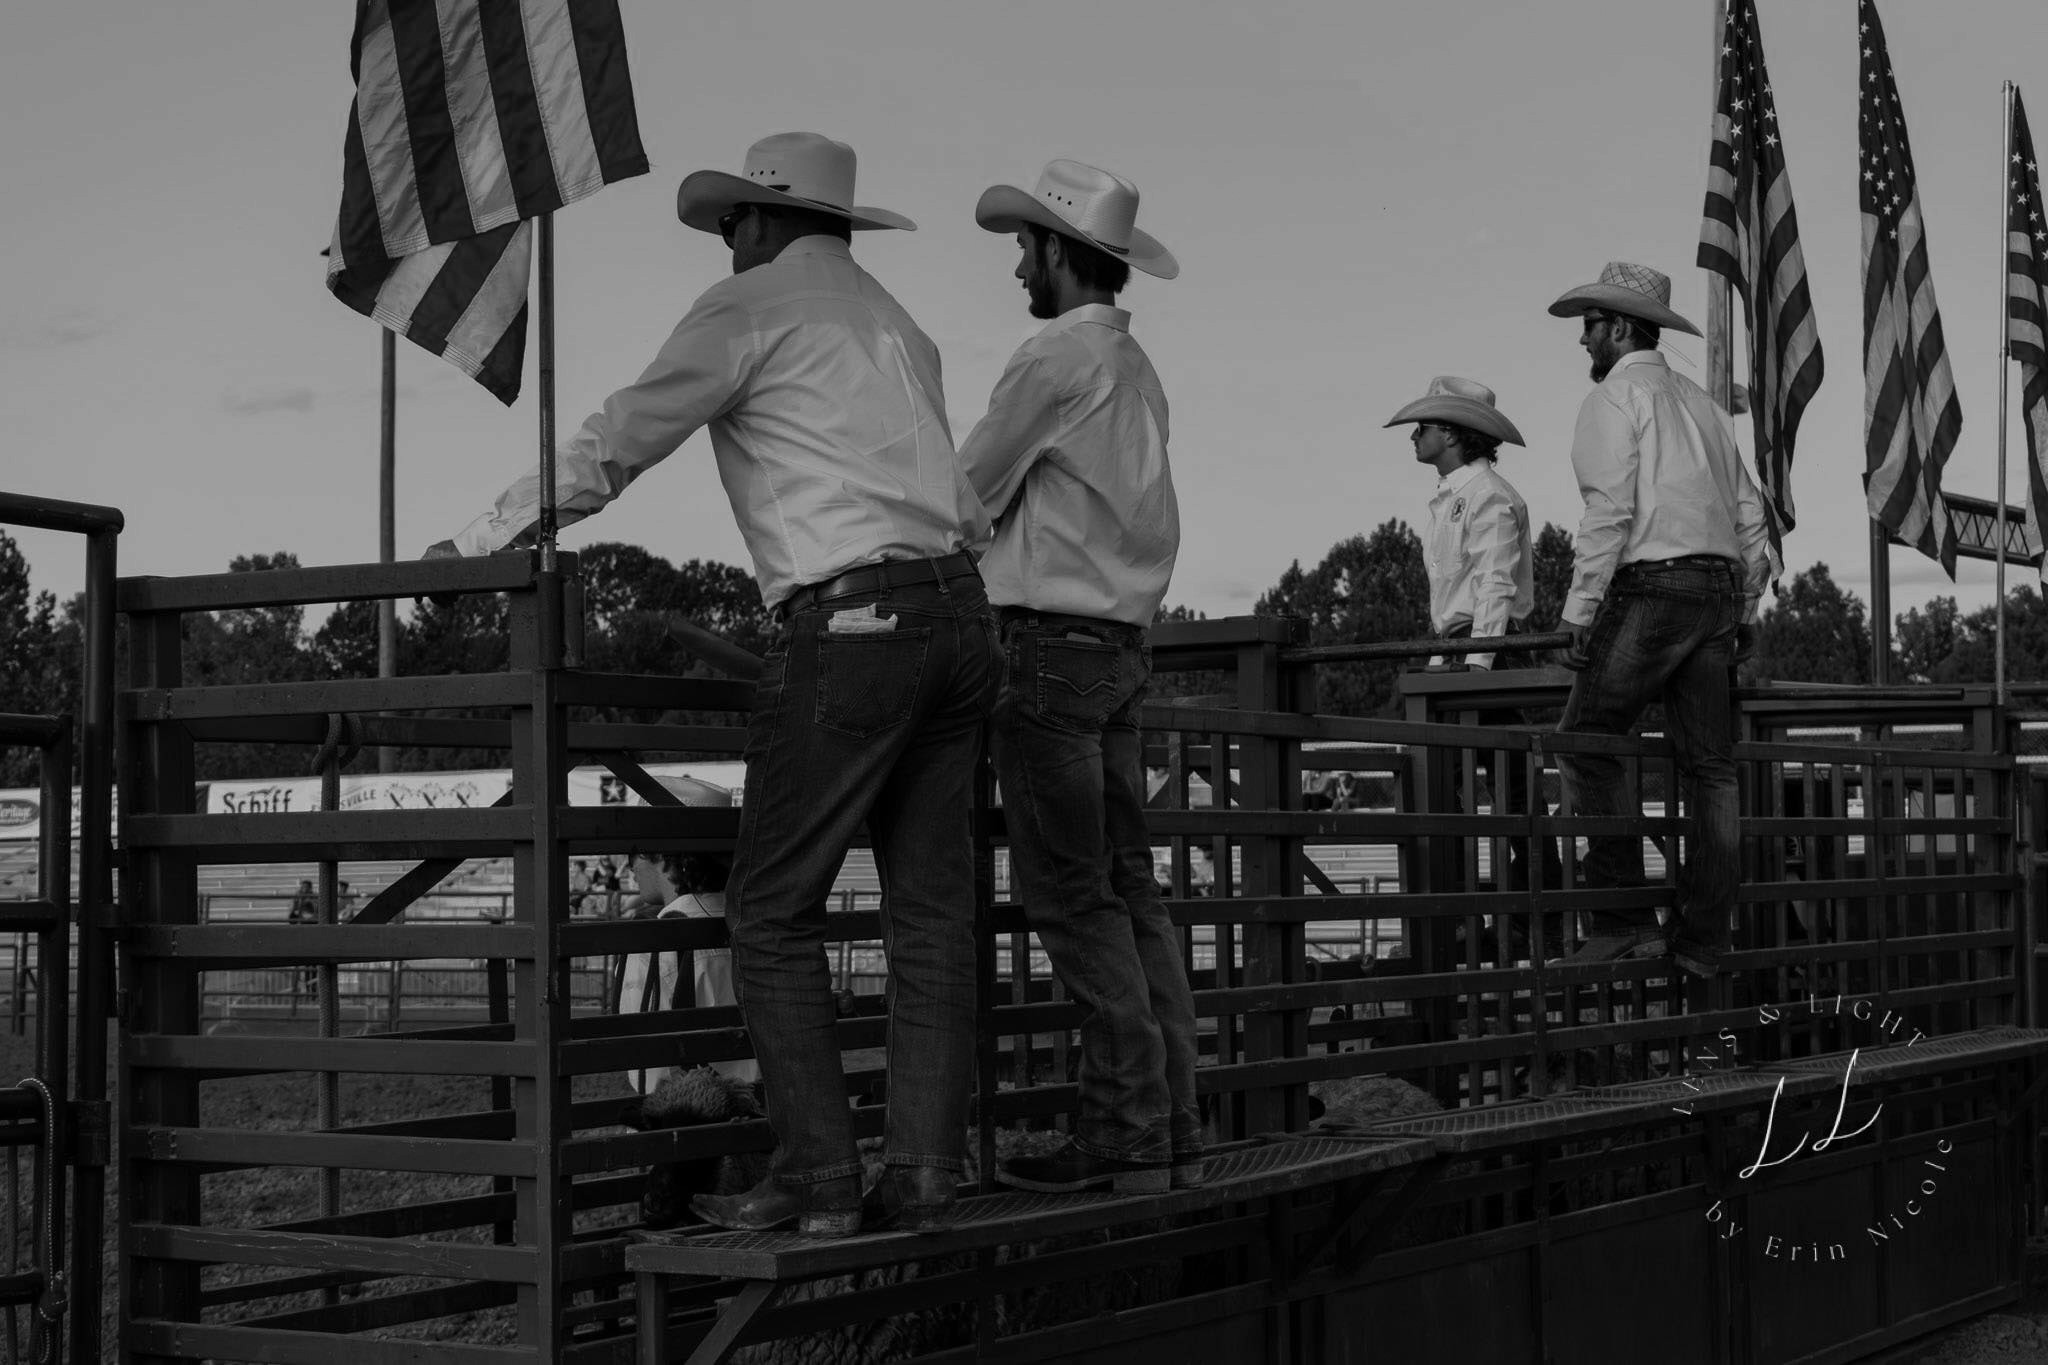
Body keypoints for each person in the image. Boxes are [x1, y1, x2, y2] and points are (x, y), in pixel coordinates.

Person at [430, 132, 997, 1237]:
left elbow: (620, 436)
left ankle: (819, 1176)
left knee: (771, 908)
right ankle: (923, 1173)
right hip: (958, 607)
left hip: (852, 616)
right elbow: (963, 503)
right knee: (929, 913)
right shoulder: (897, 324)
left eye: (731, 219)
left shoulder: (746, 309)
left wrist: (486, 537)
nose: (724, 239)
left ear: (764, 222)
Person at [957, 159, 1202, 1195]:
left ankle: (1124, 1128)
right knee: (1128, 890)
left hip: (1048, 643)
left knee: (1072, 897)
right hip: (1116, 647)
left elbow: (965, 493)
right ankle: (1169, 1116)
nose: (1017, 265)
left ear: (1058, 253)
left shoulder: (1051, 357)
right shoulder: (1133, 368)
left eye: (1024, 246)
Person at [1545, 261, 1769, 977]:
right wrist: (1746, 598)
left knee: (1584, 738)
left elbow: (1608, 510)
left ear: (1616, 328)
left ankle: (1620, 917)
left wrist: (1580, 611)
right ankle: (1703, 939)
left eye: (1589, 327)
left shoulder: (1615, 398)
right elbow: (1750, 515)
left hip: (1656, 584)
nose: (1583, 341)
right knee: (1711, 768)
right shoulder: (1701, 403)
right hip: (1717, 589)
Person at [1383, 378, 1565, 934]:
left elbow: (1495, 582)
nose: (1414, 435)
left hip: (1475, 649)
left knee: (1482, 781)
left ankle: (1489, 914)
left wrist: (1478, 664)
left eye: (1425, 426)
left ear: (1453, 435)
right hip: (1461, 649)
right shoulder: (1463, 494)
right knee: (1484, 781)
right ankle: (1500, 912)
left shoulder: (1485, 494)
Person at [617, 777, 760, 1091]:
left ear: (662, 855)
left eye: (635, 852)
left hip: (682, 1114)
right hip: (756, 1108)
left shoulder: (654, 940)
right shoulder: (756, 924)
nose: (631, 866)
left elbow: (644, 1059)